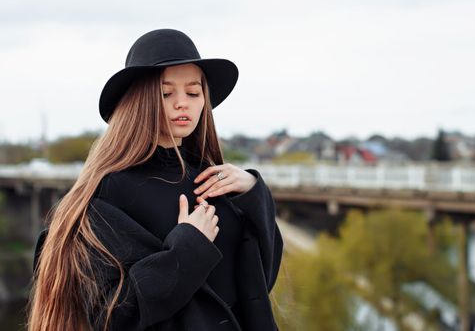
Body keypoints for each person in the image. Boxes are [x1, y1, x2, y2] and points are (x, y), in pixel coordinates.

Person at [27, 29, 284, 331]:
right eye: (166, 93)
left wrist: (254, 194)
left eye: (193, 92)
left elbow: (259, 282)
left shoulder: (213, 180)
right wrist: (186, 251)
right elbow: (110, 315)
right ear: (139, 101)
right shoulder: (108, 193)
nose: (182, 103)